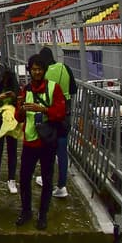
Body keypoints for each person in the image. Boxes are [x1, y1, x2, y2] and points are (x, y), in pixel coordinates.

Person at [13, 55, 65, 231]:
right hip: (30, 141)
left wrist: (42, 109)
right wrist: (20, 108)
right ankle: (26, 211)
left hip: (47, 141)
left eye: (39, 69)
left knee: (47, 179)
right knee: (24, 178)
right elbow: (18, 117)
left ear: (44, 71)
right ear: (29, 70)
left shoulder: (54, 88)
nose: (36, 72)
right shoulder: (25, 90)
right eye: (34, 69)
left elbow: (60, 112)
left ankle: (42, 215)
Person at [36, 47, 76, 200]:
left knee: (47, 150)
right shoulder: (65, 68)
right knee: (62, 150)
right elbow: (73, 89)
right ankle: (62, 186)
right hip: (65, 114)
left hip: (48, 115)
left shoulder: (41, 73)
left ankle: (46, 180)